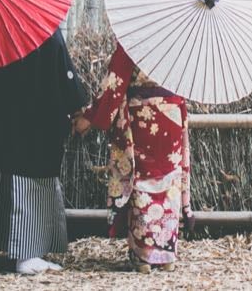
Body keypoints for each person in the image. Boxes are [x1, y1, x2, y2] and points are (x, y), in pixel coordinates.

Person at [0, 28, 88, 275]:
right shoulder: (42, 28)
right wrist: (77, 108)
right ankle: (27, 254)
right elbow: (63, 73)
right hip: (37, 122)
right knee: (31, 180)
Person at [72, 43, 194, 273]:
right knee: (169, 180)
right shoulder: (178, 34)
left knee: (143, 180)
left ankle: (144, 254)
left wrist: (90, 116)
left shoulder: (136, 35)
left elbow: (115, 84)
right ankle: (167, 252)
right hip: (173, 114)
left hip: (144, 116)